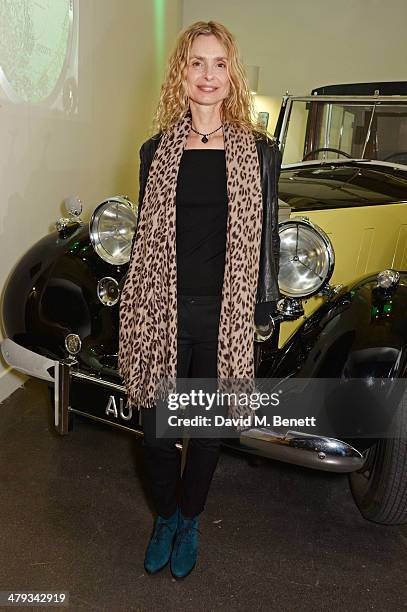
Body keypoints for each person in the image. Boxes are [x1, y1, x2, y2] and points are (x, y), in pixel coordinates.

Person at [118, 20, 281, 579]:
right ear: (180, 74)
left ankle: (190, 519)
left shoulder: (258, 151)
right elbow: (145, 240)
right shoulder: (155, 151)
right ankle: (164, 515)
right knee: (158, 431)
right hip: (160, 314)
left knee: (207, 434)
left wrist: (263, 308)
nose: (207, 75)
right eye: (196, 63)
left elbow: (265, 237)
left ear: (231, 74)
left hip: (224, 317)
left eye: (218, 64)